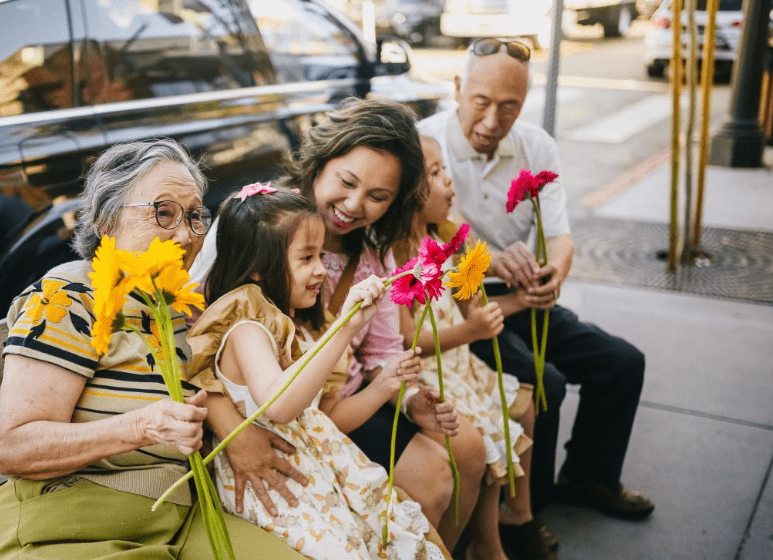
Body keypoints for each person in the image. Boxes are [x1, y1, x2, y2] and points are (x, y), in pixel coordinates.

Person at [0, 139, 308, 560]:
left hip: (176, 522)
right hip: (70, 529)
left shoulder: (174, 307)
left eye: (193, 216)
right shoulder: (69, 296)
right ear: (106, 220)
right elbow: (13, 450)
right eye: (163, 212)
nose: (186, 234)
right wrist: (138, 428)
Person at [189, 99, 489, 543]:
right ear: (318, 164)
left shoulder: (374, 254)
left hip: (341, 401)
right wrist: (232, 432)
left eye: (377, 197)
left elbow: (382, 354)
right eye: (346, 183)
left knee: (470, 447)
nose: (353, 205)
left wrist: (407, 402)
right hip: (283, 413)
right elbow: (192, 338)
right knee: (433, 476)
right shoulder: (257, 225)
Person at [417, 38, 654, 526]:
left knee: (622, 363)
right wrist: (494, 264)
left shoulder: (536, 145)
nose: (490, 122)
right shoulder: (424, 145)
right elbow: (432, 244)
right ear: (458, 88)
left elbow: (560, 235)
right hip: (462, 304)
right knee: (544, 384)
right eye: (481, 102)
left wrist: (553, 277)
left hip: (523, 296)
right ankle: (527, 512)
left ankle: (590, 477)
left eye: (509, 107)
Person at [188, 186, 455, 559]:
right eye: (306, 258)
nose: (320, 270)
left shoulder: (289, 327)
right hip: (279, 487)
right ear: (258, 269)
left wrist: (384, 385)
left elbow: (320, 415)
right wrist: (345, 328)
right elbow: (279, 406)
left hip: (319, 475)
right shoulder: (246, 328)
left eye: (321, 255)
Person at [396, 137, 552, 560]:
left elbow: (476, 306)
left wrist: (523, 300)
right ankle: (486, 545)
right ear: (407, 192)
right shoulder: (400, 256)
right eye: (434, 174)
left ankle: (507, 525)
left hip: (462, 364)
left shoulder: (447, 238)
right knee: (486, 430)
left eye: (444, 169)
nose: (449, 181)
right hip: (433, 372)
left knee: (522, 403)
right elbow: (409, 338)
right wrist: (473, 331)